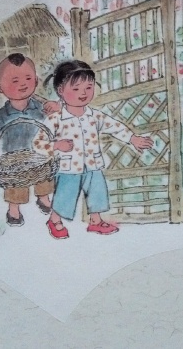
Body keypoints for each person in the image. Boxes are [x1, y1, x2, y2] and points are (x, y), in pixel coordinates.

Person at [33, 60, 153, 239]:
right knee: (65, 195)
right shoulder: (56, 119)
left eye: (88, 87)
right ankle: (55, 220)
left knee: (97, 192)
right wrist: (56, 146)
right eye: (76, 89)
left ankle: (96, 221)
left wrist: (132, 138)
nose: (83, 93)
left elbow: (114, 126)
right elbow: (38, 143)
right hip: (68, 168)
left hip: (93, 164)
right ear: (60, 91)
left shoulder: (94, 116)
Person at [0, 53, 59, 226]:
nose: (22, 84)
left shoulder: (41, 108)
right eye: (14, 81)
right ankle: (14, 209)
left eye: (28, 78)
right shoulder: (2, 115)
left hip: (40, 154)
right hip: (13, 159)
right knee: (15, 183)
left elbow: (58, 119)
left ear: (36, 81)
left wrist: (56, 109)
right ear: (0, 87)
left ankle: (43, 198)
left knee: (44, 176)